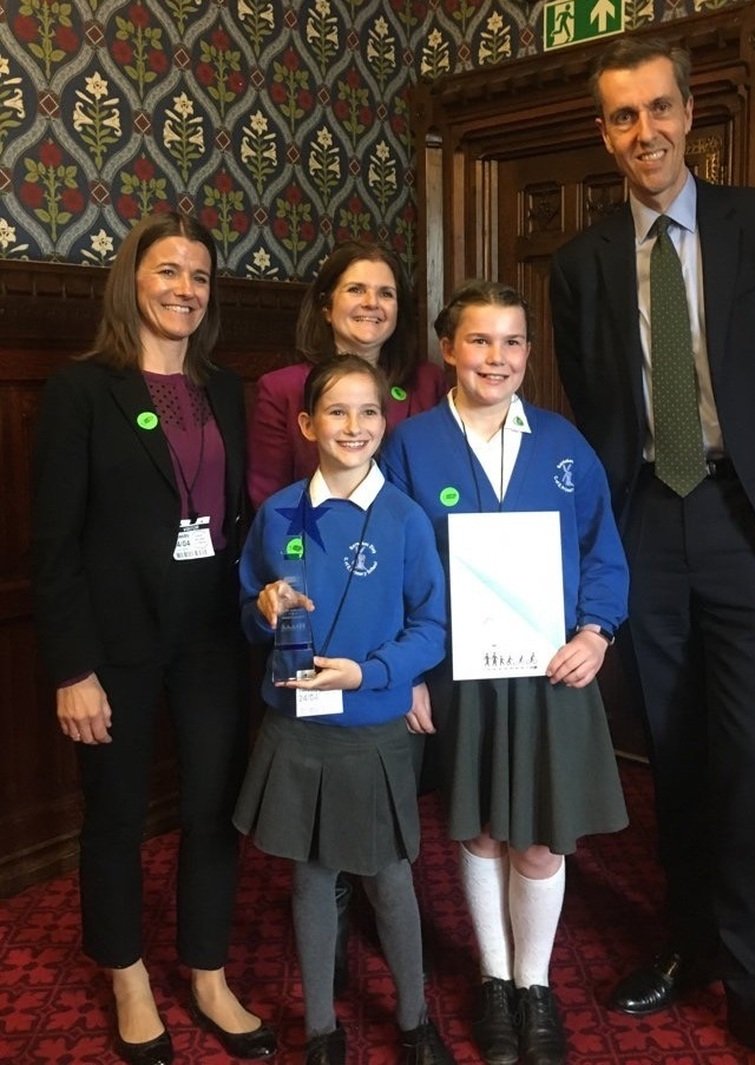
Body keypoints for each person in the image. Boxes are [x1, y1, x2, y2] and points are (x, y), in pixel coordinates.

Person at [549, 37, 755, 1065]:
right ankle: (687, 943)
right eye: (623, 117)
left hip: (745, 524)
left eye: (658, 109)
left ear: (688, 112)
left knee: (753, 758)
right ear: (604, 133)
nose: (644, 132)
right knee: (670, 751)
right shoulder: (581, 263)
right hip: (644, 527)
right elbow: (591, 399)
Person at [31, 213, 276, 1065]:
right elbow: (53, 545)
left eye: (200, 277)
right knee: (118, 812)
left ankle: (206, 972)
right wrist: (72, 668)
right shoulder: (81, 390)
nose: (184, 289)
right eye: (168, 271)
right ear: (133, 281)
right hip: (116, 642)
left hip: (211, 635)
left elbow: (237, 518)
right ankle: (127, 972)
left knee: (214, 806)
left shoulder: (224, 389)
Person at [381, 280, 629, 1065]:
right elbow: (393, 565)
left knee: (543, 843)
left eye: (513, 341)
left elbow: (603, 549)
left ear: (529, 352)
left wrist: (597, 631)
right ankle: (493, 977)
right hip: (458, 673)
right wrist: (409, 673)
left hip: (551, 675)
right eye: (480, 340)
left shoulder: (564, 443)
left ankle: (535, 982)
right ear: (449, 348)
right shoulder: (411, 444)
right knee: (483, 828)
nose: (498, 357)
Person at [233, 354, 456, 1065]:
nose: (353, 426)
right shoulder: (277, 514)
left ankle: (416, 1018)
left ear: (385, 422)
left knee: (389, 877)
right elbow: (246, 609)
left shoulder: (406, 518)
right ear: (307, 423)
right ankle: (322, 1028)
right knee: (311, 877)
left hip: (374, 727)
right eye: (336, 411)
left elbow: (433, 625)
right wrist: (261, 608)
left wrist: (374, 671)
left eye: (368, 412)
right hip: (298, 728)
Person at [247, 239, 446, 511]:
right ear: (326, 307)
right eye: (356, 290)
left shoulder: (428, 382)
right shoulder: (281, 389)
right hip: (315, 543)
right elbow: (269, 497)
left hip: (408, 543)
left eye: (386, 293)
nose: (372, 303)